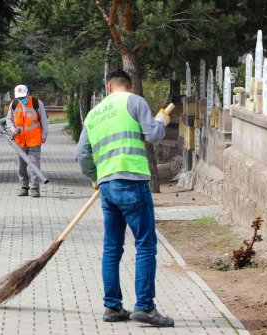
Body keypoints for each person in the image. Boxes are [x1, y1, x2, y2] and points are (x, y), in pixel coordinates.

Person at [73, 69, 175, 327]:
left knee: (111, 247)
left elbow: (81, 154)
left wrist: (96, 176)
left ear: (108, 88)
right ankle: (145, 307)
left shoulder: (94, 114)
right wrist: (162, 120)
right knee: (145, 245)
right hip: (133, 183)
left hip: (107, 187)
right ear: (128, 87)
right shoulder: (135, 101)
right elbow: (152, 135)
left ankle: (112, 307)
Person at [6, 84, 48, 198]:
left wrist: (44, 135)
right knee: (21, 165)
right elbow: (8, 119)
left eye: (23, 97)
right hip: (20, 141)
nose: (21, 100)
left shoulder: (37, 103)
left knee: (34, 165)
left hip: (34, 140)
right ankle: (24, 187)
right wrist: (13, 129)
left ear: (28, 94)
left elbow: (44, 120)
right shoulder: (14, 104)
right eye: (19, 98)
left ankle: (35, 188)